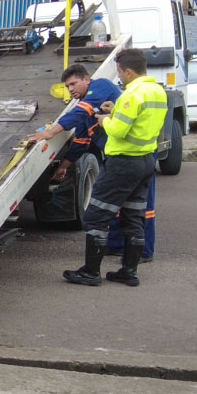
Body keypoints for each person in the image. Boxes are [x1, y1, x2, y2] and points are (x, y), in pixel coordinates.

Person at [62, 48, 167, 288]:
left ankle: (90, 272)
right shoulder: (156, 91)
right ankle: (129, 272)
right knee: (133, 217)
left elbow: (119, 130)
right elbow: (141, 121)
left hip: (122, 162)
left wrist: (104, 120)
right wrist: (115, 110)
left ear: (128, 71)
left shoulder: (132, 94)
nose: (119, 76)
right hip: (145, 162)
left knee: (96, 216)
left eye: (120, 71)